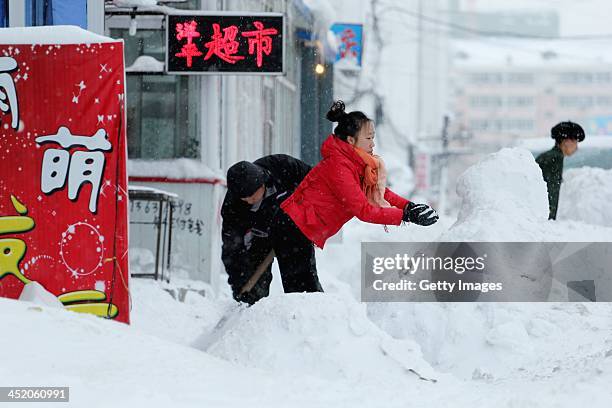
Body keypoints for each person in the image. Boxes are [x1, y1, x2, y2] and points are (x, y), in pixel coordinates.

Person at [280, 100, 439, 252]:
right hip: (294, 226)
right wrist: (406, 215)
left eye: (373, 138)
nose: (372, 144)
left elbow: (379, 192)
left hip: (299, 228)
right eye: (368, 138)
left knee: (297, 280)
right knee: (303, 280)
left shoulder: (357, 166)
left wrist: (409, 207)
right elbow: (363, 210)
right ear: (351, 140)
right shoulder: (339, 166)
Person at [221, 154, 322, 305]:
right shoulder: (232, 206)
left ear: (262, 184)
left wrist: (313, 218)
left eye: (252, 197)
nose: (249, 201)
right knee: (251, 291)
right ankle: (251, 317)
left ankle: (310, 313)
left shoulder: (282, 167)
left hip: (291, 230)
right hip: (258, 237)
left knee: (301, 285)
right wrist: (239, 283)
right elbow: (232, 247)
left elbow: (318, 184)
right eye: (245, 199)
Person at [535, 121, 585, 220]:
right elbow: (551, 190)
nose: (577, 147)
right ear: (566, 141)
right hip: (541, 217)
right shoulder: (555, 158)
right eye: (575, 142)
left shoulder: (549, 156)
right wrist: (550, 217)